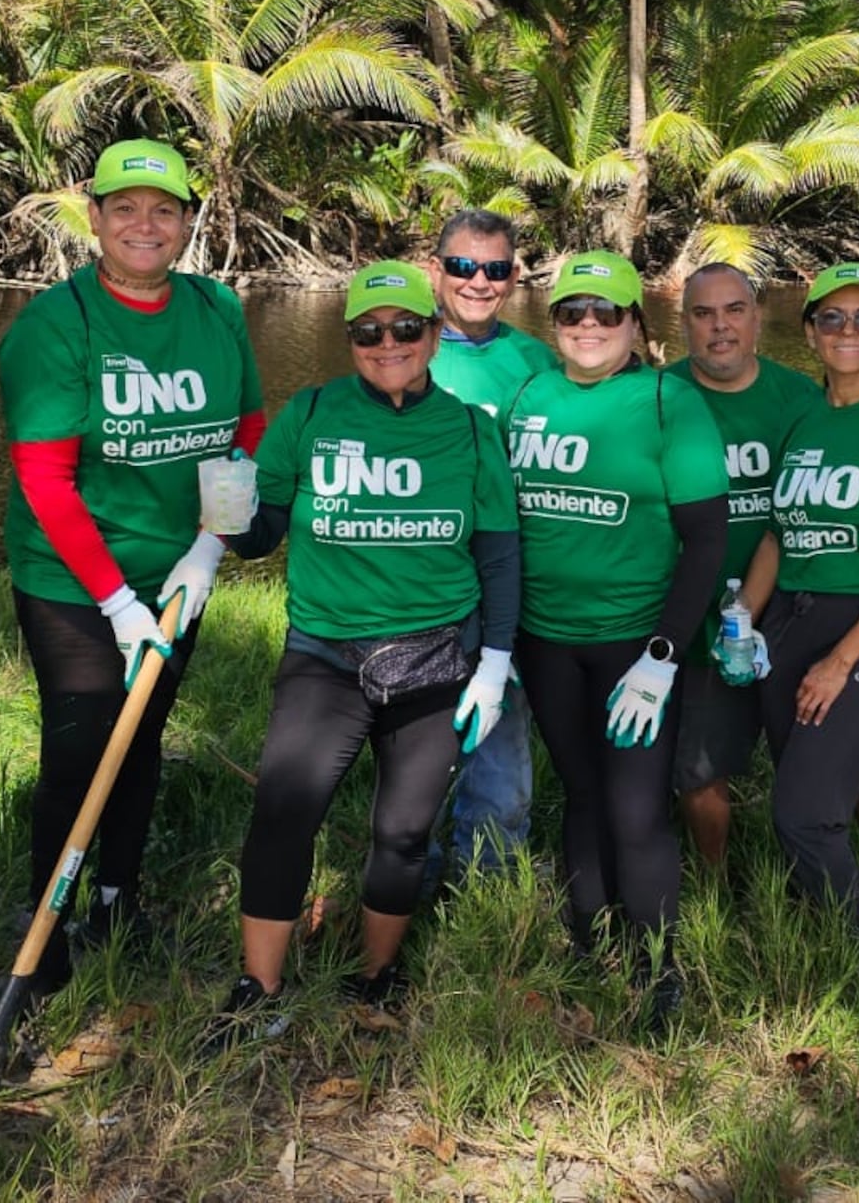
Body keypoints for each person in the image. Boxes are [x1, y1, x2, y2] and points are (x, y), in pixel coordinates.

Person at [203, 262, 520, 1047]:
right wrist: (230, 515)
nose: (389, 344)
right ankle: (258, 987)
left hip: (435, 659)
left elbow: (500, 556)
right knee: (284, 811)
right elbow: (262, 534)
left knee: (405, 832)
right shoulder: (310, 413)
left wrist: (495, 663)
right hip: (327, 654)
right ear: (351, 340)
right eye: (369, 331)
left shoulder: (474, 432)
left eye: (407, 328)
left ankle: (375, 977)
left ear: (435, 335)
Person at [0, 138, 265, 996]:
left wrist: (208, 547)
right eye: (125, 209)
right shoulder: (57, 324)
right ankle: (48, 927)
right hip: (75, 581)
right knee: (81, 745)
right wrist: (115, 602)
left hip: (176, 572)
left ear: (189, 219)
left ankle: (119, 899)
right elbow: (45, 476)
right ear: (96, 219)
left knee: (142, 733)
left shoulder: (217, 309)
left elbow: (248, 432)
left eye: (164, 209)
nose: (144, 226)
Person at [505, 251, 728, 1031]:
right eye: (573, 313)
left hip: (635, 643)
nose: (590, 326)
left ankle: (660, 966)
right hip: (544, 639)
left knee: (636, 807)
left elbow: (706, 541)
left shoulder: (670, 404)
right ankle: (589, 939)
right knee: (581, 790)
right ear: (554, 324)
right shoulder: (530, 393)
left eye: (608, 313)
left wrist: (663, 657)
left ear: (638, 324)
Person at [666, 263, 859, 887]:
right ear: (685, 324)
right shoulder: (658, 397)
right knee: (699, 769)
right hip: (708, 614)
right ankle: (719, 888)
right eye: (703, 314)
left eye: (734, 310)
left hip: (804, 612)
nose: (720, 327)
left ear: (759, 319)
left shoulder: (801, 401)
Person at [731, 264, 859, 931]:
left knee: (803, 813)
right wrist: (744, 618)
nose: (847, 331)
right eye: (832, 318)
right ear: (810, 331)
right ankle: (856, 904)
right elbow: (775, 534)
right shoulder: (802, 421)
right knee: (816, 769)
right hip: (790, 616)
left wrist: (841, 659)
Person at [424, 210, 556, 878]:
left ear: (514, 276)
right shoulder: (403, 347)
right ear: (435, 270)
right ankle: (408, 869)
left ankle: (488, 878)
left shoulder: (537, 360)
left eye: (496, 268)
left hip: (513, 573)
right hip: (427, 578)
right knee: (421, 735)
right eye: (463, 265)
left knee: (502, 726)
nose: (479, 281)